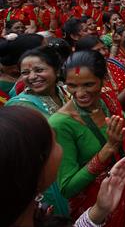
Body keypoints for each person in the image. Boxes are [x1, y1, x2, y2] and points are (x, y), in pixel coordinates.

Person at [49, 50, 125, 225]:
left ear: (103, 79)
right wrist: (108, 148)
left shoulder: (107, 99)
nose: (80, 93)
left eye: (88, 84)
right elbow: (67, 188)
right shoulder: (61, 123)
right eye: (72, 86)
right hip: (99, 208)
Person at [0, 105, 125, 227]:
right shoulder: (62, 121)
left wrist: (98, 211)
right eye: (55, 142)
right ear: (37, 164)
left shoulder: (27, 212)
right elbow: (68, 187)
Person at [5, 47, 71, 215]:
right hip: (47, 179)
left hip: (74, 169)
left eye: (39, 70)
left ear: (57, 70)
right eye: (25, 72)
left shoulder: (66, 92)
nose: (32, 77)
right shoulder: (19, 107)